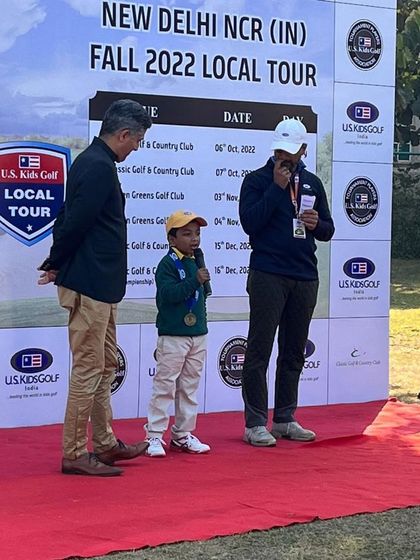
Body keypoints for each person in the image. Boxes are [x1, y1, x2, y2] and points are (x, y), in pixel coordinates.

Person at [38, 99, 152, 475]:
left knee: (105, 365)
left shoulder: (95, 162)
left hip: (101, 285)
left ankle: (104, 444)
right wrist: (55, 262)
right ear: (124, 134)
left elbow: (68, 217)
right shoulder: (97, 165)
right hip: (89, 284)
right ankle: (74, 453)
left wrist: (57, 261)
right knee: (89, 367)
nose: (136, 148)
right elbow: (73, 222)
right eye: (137, 141)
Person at [239, 118, 335, 447]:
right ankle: (255, 423)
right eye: (280, 151)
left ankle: (284, 418)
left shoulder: (312, 183)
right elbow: (250, 223)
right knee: (259, 350)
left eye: (290, 151)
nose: (284, 157)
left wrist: (317, 223)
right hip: (267, 273)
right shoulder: (256, 180)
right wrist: (276, 188)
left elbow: (328, 230)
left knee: (294, 351)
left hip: (305, 275)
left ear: (303, 150)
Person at [144, 210, 211, 457]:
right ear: (172, 239)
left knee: (189, 388)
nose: (194, 239)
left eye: (197, 234)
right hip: (173, 335)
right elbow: (169, 295)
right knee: (165, 386)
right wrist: (195, 281)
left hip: (197, 334)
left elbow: (201, 298)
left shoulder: (196, 261)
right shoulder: (167, 264)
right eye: (187, 234)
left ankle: (183, 434)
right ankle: (154, 436)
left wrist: (201, 324)